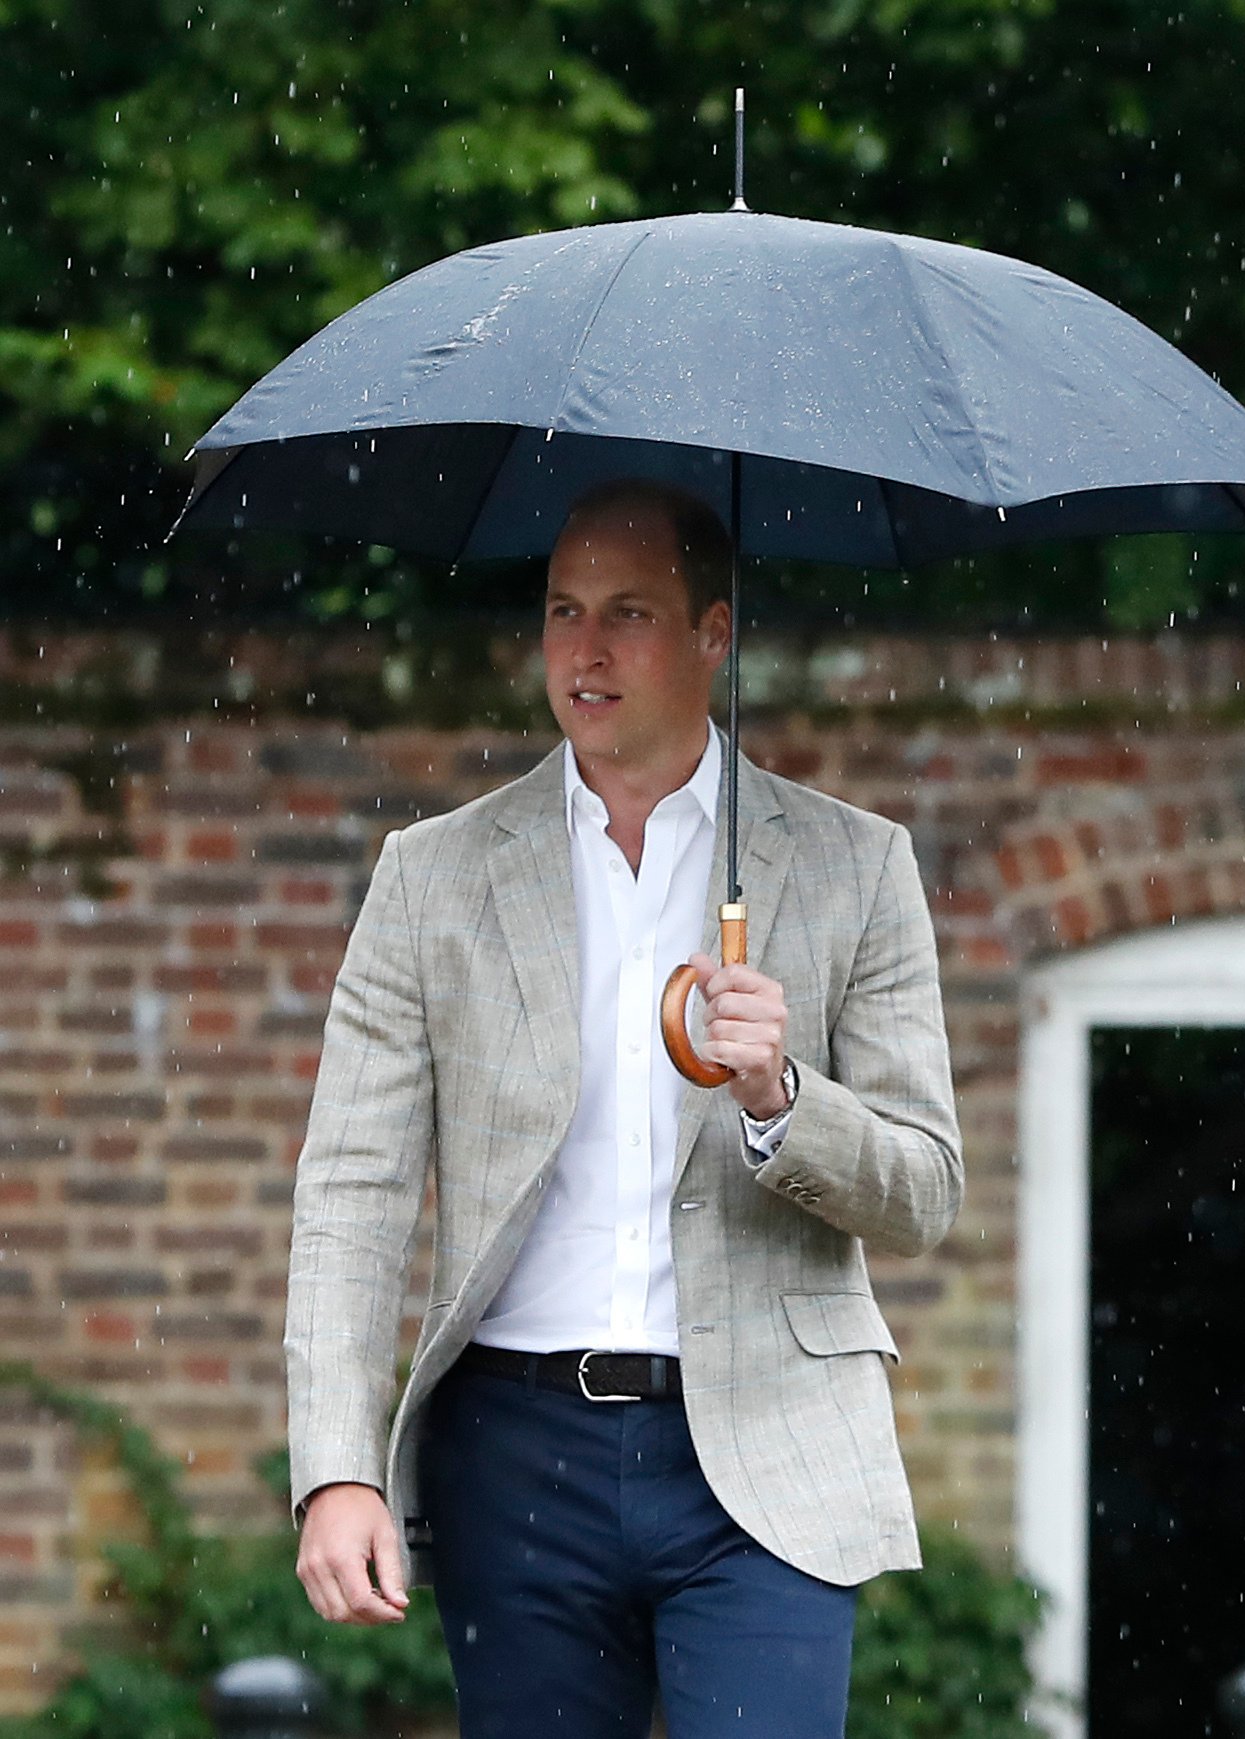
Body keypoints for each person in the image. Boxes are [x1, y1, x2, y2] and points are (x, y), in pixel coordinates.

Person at [283, 479, 963, 1737]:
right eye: (561, 611)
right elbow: (350, 1195)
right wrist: (334, 1465)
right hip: (515, 1456)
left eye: (629, 613)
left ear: (715, 633)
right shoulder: (431, 877)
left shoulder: (854, 865)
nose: (583, 651)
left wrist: (784, 1096)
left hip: (769, 1444)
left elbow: (925, 1188)